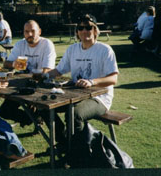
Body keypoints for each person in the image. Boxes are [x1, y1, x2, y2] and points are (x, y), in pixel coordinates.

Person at [41, 14, 119, 150]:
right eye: (80, 28)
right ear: (77, 32)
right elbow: (59, 70)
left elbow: (113, 79)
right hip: (74, 95)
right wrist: (43, 76)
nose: (84, 31)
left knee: (74, 114)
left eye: (88, 27)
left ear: (95, 30)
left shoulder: (105, 50)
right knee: (43, 107)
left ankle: (78, 155)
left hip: (99, 98)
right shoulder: (73, 49)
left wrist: (92, 82)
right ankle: (64, 143)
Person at [0, 20, 56, 127]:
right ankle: (33, 118)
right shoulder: (20, 44)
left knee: (45, 110)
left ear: (39, 32)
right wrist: (14, 64)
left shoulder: (47, 44)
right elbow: (6, 64)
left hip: (42, 85)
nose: (29, 34)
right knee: (4, 111)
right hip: (23, 84)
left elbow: (47, 70)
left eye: (32, 31)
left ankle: (39, 118)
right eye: (26, 32)